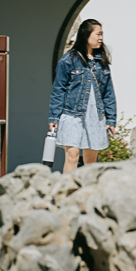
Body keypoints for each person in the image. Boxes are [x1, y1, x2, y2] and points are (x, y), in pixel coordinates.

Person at [49, 19, 116, 173]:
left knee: (91, 162)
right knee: (72, 155)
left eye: (102, 34)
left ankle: (87, 195)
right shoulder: (68, 60)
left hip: (96, 116)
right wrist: (54, 118)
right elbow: (58, 90)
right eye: (98, 34)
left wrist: (111, 119)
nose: (101, 38)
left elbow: (108, 93)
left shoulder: (102, 62)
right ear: (86, 35)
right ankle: (67, 194)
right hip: (72, 114)